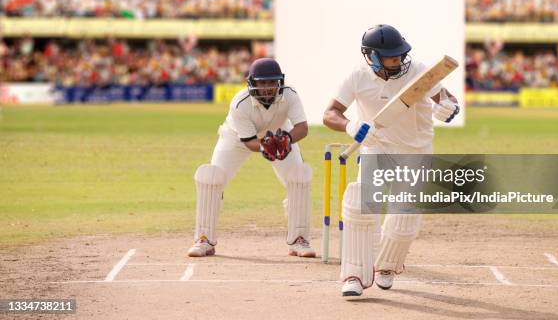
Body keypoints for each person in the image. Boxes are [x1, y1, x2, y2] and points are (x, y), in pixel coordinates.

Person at [322, 24, 460, 297]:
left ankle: (387, 266)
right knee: (360, 204)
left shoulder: (419, 71)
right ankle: (353, 274)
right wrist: (351, 126)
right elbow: (330, 113)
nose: (399, 60)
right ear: (372, 57)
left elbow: (445, 98)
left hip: (416, 152)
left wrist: (448, 107)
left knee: (404, 217)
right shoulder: (357, 77)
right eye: (391, 57)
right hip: (376, 148)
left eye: (400, 55)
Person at [187, 58, 315, 258]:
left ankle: (299, 240)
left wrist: (286, 140)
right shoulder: (240, 103)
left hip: (280, 135)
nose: (267, 88)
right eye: (262, 83)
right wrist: (267, 147)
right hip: (236, 138)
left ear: (279, 82)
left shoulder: (290, 94)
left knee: (298, 179)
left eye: (271, 82)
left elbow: (302, 128)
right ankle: (204, 239)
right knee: (211, 179)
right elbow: (248, 141)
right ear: (252, 83)